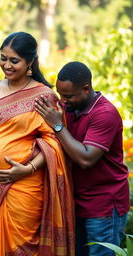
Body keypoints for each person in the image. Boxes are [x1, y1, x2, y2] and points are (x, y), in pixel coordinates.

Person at [0, 32, 75, 256]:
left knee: (22, 249)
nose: (7, 65)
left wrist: (28, 168)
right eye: (3, 58)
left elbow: (53, 142)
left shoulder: (44, 96)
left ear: (30, 62)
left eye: (14, 60)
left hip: (23, 188)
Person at [35, 61, 130, 256]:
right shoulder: (67, 109)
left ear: (86, 89)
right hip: (76, 202)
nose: (63, 100)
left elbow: (86, 159)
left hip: (103, 206)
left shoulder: (105, 114)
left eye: (68, 96)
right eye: (60, 94)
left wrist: (58, 126)